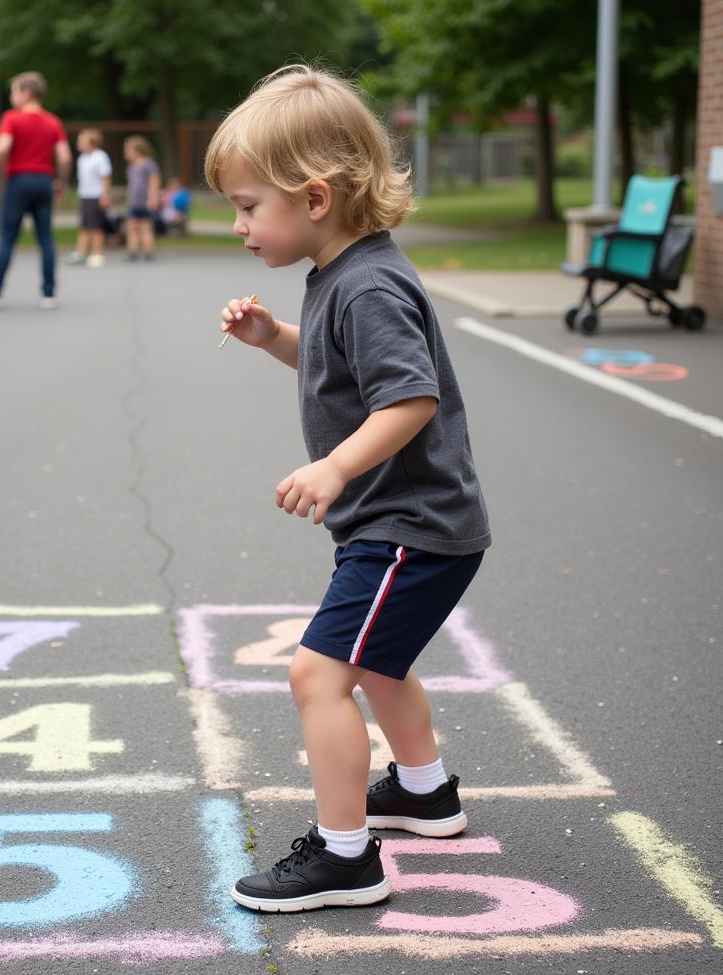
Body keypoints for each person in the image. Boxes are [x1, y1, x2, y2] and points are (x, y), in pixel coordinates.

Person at [207, 65, 491, 913]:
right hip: (411, 525)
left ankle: (344, 859)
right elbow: (343, 366)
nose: (239, 225)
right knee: (375, 661)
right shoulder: (342, 276)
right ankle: (425, 792)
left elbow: (408, 397)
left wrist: (335, 466)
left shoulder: (366, 285)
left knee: (318, 676)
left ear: (317, 198)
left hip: (410, 524)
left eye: (250, 205)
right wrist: (274, 338)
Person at [0, 71, 71, 311]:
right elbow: (64, 157)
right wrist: (61, 183)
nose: (11, 97)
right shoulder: (53, 121)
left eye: (13, 92)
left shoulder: (12, 118)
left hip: (19, 182)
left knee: (8, 238)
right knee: (46, 239)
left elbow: (1, 148)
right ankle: (49, 294)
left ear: (26, 93)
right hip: (44, 181)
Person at [66, 128, 112, 269]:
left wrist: (105, 195)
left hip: (96, 195)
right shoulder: (82, 158)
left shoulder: (100, 157)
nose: (79, 143)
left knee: (96, 226)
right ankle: (81, 252)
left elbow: (106, 177)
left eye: (82, 141)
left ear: (92, 143)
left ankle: (97, 254)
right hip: (85, 195)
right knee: (84, 225)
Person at [123, 135, 160, 261]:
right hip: (134, 202)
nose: (126, 153)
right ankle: (132, 252)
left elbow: (154, 181)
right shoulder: (131, 166)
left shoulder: (149, 164)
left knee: (145, 227)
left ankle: (148, 252)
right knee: (132, 227)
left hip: (145, 201)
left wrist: (153, 197)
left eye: (128, 150)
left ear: (138, 150)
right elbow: (132, 185)